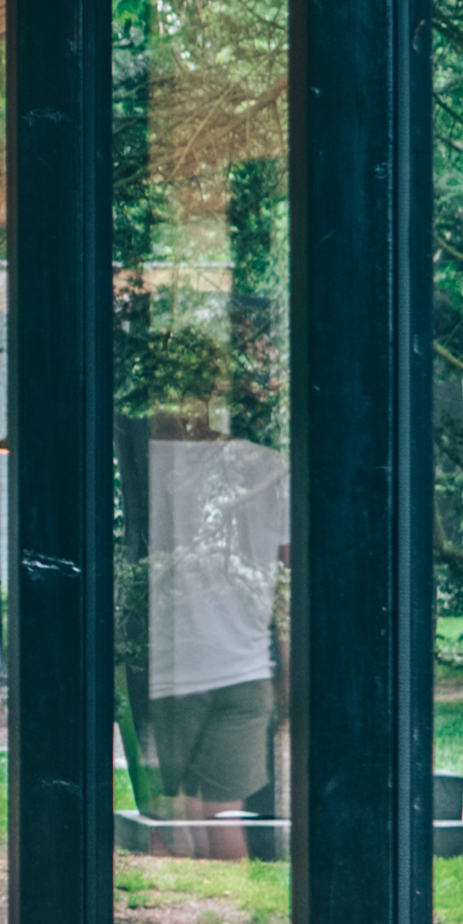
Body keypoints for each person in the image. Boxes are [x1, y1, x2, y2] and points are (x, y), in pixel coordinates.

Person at [143, 346, 290, 855]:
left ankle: (180, 920)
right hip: (246, 666)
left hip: (180, 666)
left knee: (178, 811)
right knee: (218, 812)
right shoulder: (270, 466)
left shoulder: (159, 464)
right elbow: (292, 561)